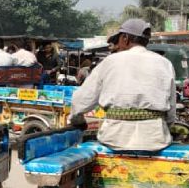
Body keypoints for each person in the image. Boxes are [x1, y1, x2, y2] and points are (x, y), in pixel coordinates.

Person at [71, 19, 176, 151]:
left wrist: (78, 120)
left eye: (118, 40)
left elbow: (81, 99)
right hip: (155, 139)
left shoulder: (110, 61)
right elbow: (171, 111)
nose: (117, 45)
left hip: (114, 138)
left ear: (125, 38)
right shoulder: (165, 63)